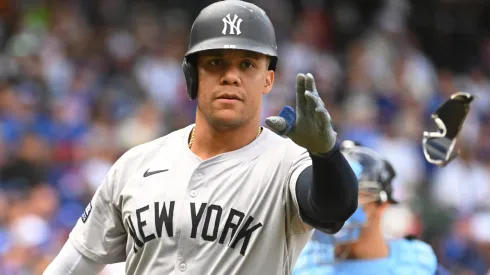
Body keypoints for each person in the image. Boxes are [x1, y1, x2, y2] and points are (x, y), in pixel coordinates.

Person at [43, 1, 358, 274]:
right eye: (215, 62)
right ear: (192, 76)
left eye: (247, 64)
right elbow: (75, 262)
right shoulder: (136, 165)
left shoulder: (289, 164)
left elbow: (333, 211)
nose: (231, 75)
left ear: (268, 79)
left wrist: (326, 154)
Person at [292, 140, 450, 275]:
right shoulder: (299, 262)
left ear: (382, 205)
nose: (335, 205)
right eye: (328, 195)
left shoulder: (417, 263)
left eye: (354, 195)